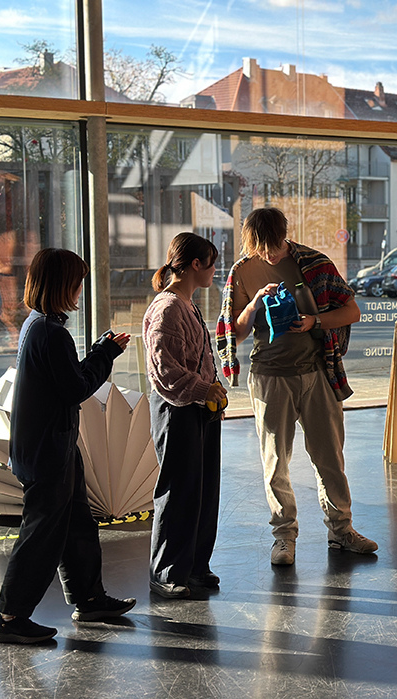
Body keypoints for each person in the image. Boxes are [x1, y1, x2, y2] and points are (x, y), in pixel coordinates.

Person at [216, 207, 377, 565]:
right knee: (276, 462)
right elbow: (233, 333)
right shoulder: (242, 271)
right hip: (270, 376)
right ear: (250, 242)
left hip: (318, 373)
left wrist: (313, 322)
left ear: (284, 236)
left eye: (273, 246)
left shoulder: (314, 263)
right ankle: (284, 537)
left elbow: (352, 311)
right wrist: (254, 304)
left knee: (330, 457)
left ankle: (342, 530)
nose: (269, 254)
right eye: (260, 248)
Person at [0, 248, 135, 644]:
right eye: (77, 281)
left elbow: (64, 382)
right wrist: (105, 354)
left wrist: (99, 351)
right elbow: (76, 389)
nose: (80, 289)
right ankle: (10, 617)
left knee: (77, 524)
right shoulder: (51, 333)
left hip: (49, 445)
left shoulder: (37, 325)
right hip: (49, 451)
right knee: (42, 535)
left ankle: (89, 598)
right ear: (63, 285)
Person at [143, 232, 227, 599]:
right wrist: (204, 390)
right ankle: (167, 572)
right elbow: (164, 371)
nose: (214, 271)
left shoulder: (186, 304)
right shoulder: (168, 307)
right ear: (195, 264)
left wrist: (211, 390)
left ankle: (193, 566)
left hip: (198, 409)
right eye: (211, 264)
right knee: (178, 491)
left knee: (202, 491)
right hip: (177, 410)